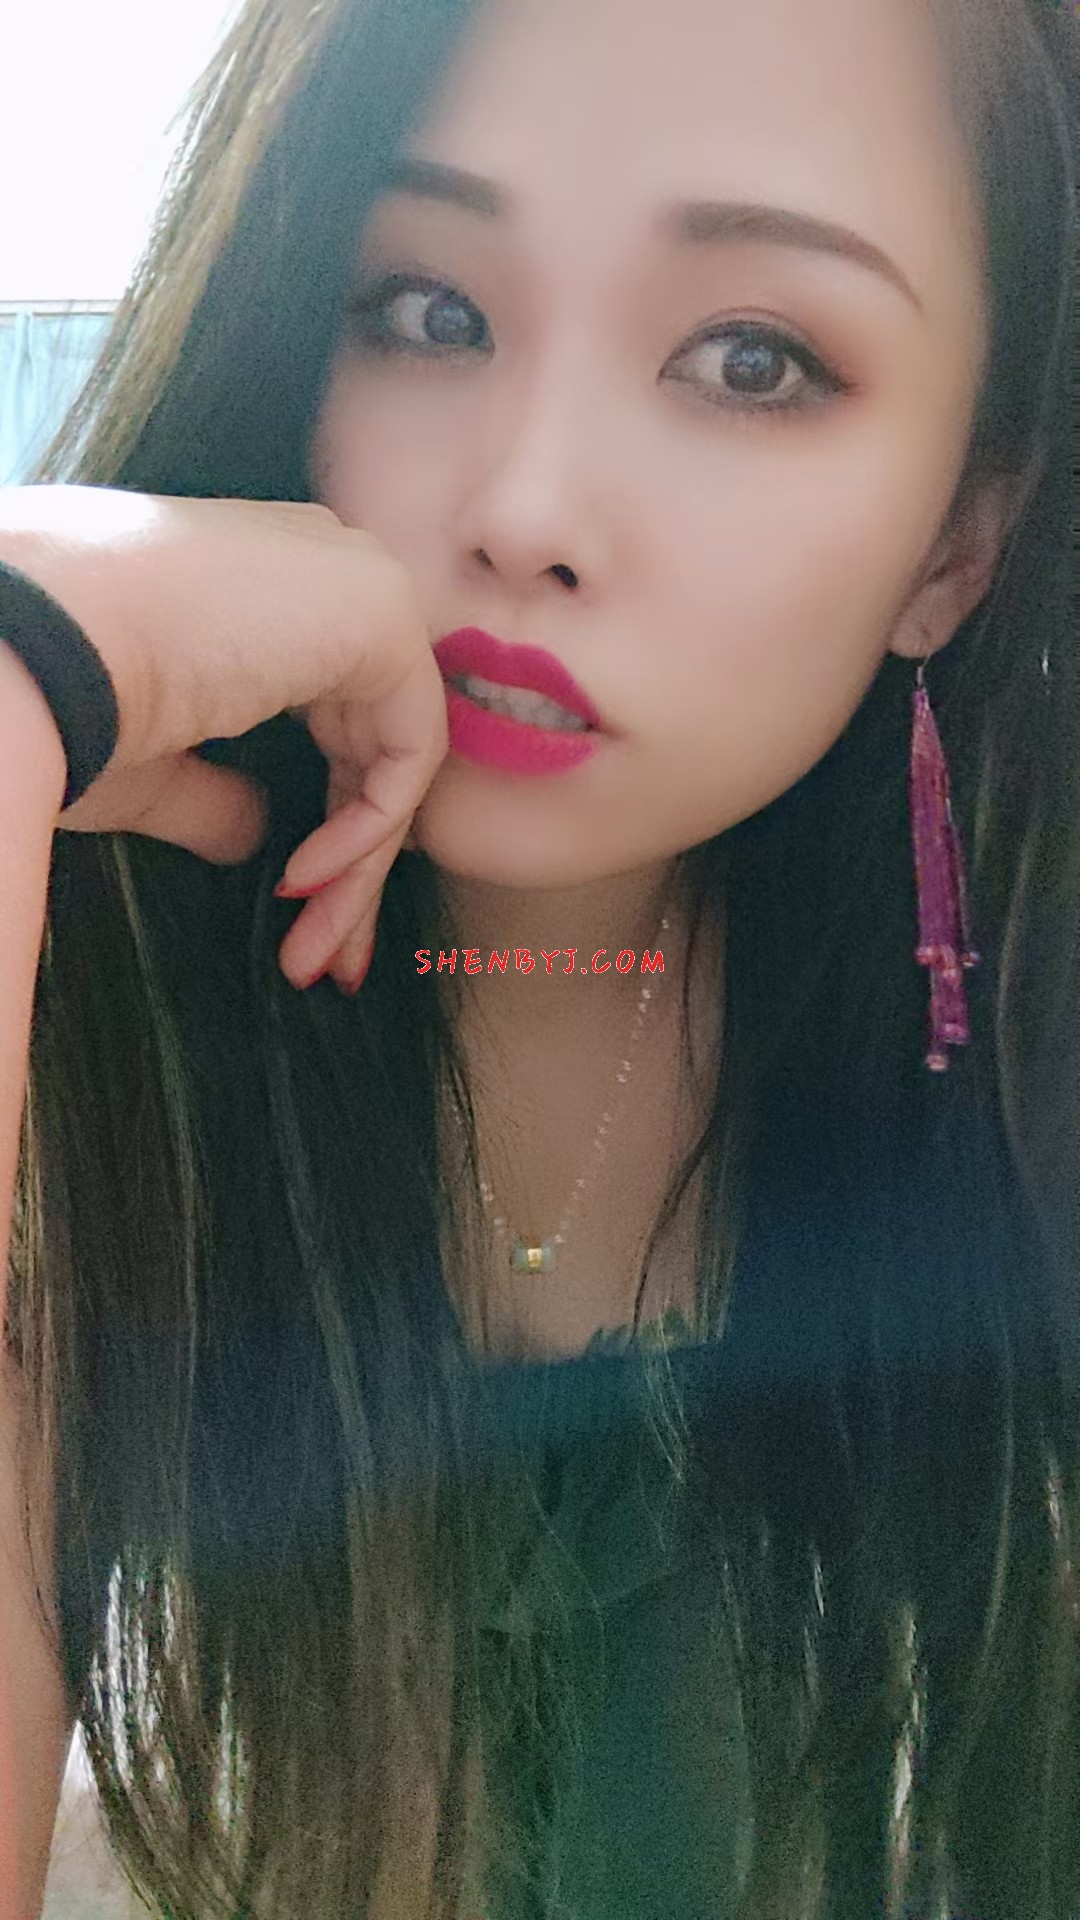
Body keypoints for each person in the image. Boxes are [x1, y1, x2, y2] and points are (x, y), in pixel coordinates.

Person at [0, 0, 1076, 1913]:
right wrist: (25, 670)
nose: (523, 510)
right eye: (426, 310)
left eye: (752, 358)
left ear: (958, 541)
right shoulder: (69, 1038)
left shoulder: (1020, 1093)